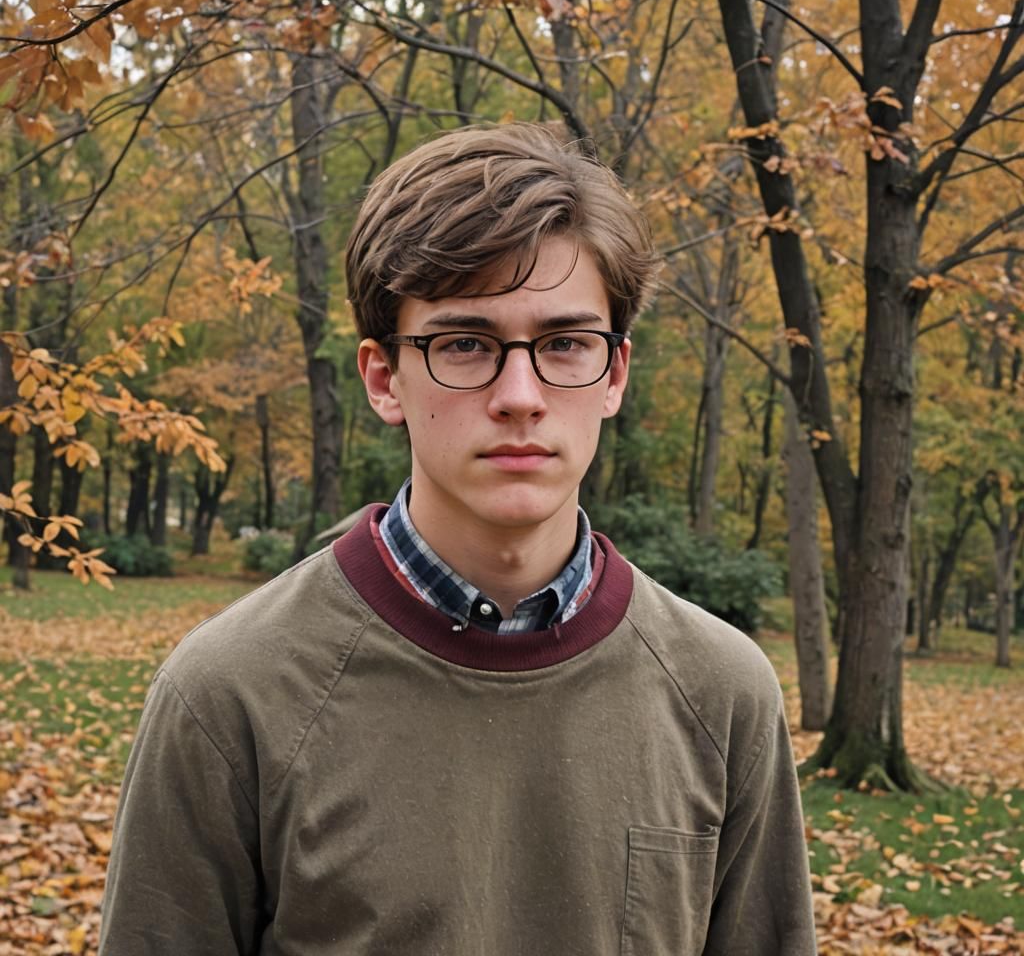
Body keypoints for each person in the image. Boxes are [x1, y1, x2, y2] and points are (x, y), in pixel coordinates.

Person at [99, 123, 815, 955]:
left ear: (614, 375)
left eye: (566, 344)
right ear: (384, 378)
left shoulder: (722, 694)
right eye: (467, 344)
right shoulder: (229, 695)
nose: (521, 395)